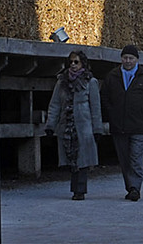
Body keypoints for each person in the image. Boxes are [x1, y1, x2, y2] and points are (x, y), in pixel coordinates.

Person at [99, 44, 143, 201]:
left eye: (131, 58)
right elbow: (104, 97)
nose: (128, 61)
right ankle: (130, 186)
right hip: (119, 125)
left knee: (136, 158)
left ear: (137, 60)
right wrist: (111, 112)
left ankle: (135, 188)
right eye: (125, 58)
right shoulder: (113, 77)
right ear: (121, 59)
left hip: (139, 125)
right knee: (124, 160)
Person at [44, 50, 104, 199]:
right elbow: (55, 104)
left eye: (76, 62)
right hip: (67, 126)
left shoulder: (90, 82)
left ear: (82, 63)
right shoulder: (61, 82)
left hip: (84, 126)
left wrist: (97, 129)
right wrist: (50, 125)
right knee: (71, 157)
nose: (73, 65)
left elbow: (95, 108)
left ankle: (80, 190)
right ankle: (75, 188)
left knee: (83, 159)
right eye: (71, 62)